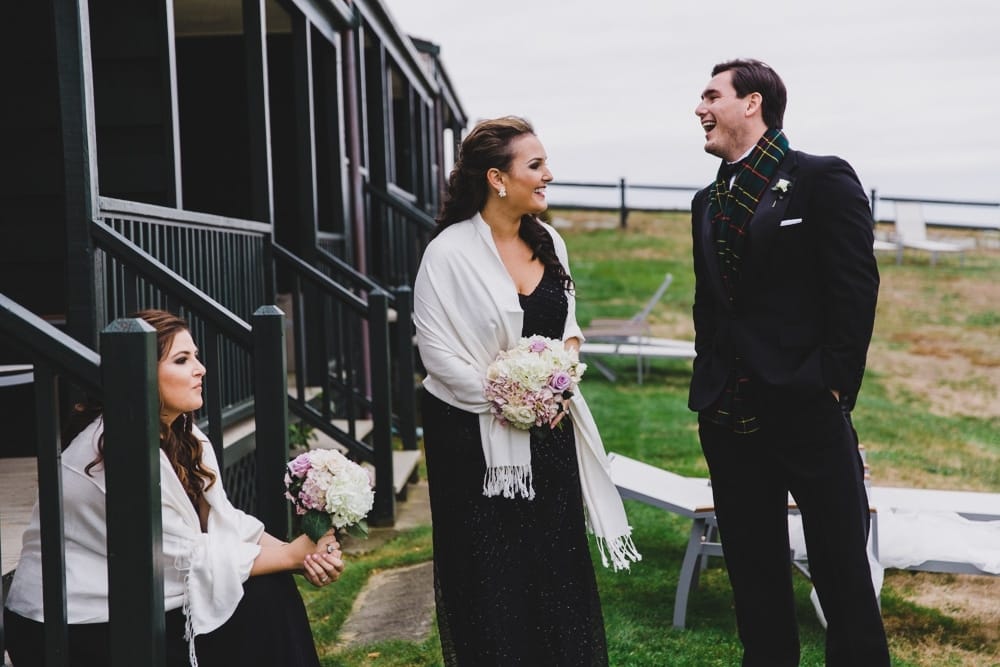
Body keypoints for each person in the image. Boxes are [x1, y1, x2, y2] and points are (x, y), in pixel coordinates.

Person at [413, 116, 640, 666]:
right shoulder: (446, 255)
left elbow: (569, 327)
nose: (548, 175)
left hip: (551, 438)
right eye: (535, 166)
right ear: (497, 178)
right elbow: (436, 354)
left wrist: (557, 382)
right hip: (472, 446)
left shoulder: (550, 241)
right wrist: (513, 402)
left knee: (556, 570)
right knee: (491, 578)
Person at [687, 58, 890, 666]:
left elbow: (855, 289)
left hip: (808, 407)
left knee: (842, 572)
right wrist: (709, 376)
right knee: (753, 572)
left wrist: (833, 388)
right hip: (729, 415)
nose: (700, 108)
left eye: (710, 96)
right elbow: (710, 306)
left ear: (752, 104)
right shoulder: (705, 201)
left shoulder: (821, 180)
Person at [3, 309, 344, 667]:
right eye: (182, 360)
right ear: (143, 372)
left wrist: (300, 554)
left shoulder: (181, 433)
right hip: (68, 625)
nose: (200, 369)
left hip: (128, 602)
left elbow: (226, 523)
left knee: (267, 590)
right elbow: (185, 556)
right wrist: (292, 557)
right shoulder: (112, 448)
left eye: (196, 356)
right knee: (260, 599)